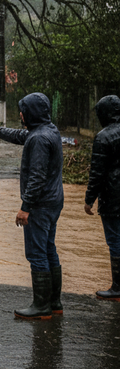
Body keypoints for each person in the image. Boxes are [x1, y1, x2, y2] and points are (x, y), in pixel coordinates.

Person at [0, 92, 64, 320]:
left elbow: (36, 177)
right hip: (54, 201)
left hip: (40, 205)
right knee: (49, 249)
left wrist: (25, 207)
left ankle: (41, 306)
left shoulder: (38, 139)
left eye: (23, 110)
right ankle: (54, 303)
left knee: (37, 253)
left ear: (30, 113)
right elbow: (19, 135)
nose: (21, 114)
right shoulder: (49, 131)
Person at [84, 95, 120, 301]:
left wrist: (89, 199)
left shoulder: (103, 137)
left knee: (115, 240)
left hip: (112, 199)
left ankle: (117, 287)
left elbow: (97, 172)